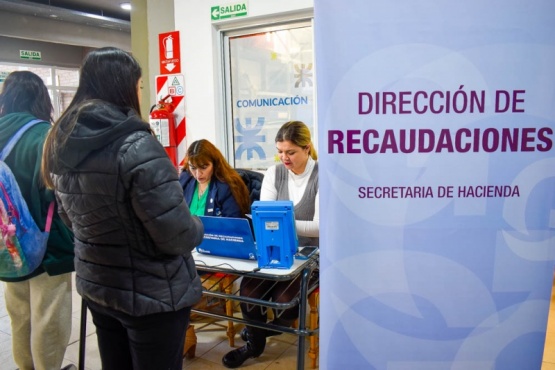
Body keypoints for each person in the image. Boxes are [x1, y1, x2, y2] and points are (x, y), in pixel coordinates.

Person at [41, 47, 204, 370]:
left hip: (99, 287)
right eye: (140, 86)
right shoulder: (137, 145)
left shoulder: (60, 142)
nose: (140, 93)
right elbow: (178, 235)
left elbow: (69, 218)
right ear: (125, 86)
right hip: (153, 296)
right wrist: (198, 224)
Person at [222, 120, 319, 368]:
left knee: (283, 298)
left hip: (310, 254)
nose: (284, 158)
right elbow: (264, 217)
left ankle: (261, 332)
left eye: (290, 152)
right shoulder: (274, 173)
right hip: (276, 249)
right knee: (249, 289)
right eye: (280, 151)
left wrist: (282, 220)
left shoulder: (321, 175)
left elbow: (319, 228)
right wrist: (277, 221)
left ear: (307, 148)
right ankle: (254, 345)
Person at [0, 71, 76, 370]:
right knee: (48, 315)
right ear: (42, 99)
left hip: (7, 244)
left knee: (19, 312)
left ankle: (24, 367)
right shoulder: (47, 135)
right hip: (48, 245)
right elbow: (62, 194)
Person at [179, 139, 250, 218]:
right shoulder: (185, 180)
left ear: (215, 164)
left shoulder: (227, 186)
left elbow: (232, 225)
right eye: (193, 168)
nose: (198, 174)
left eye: (203, 167)